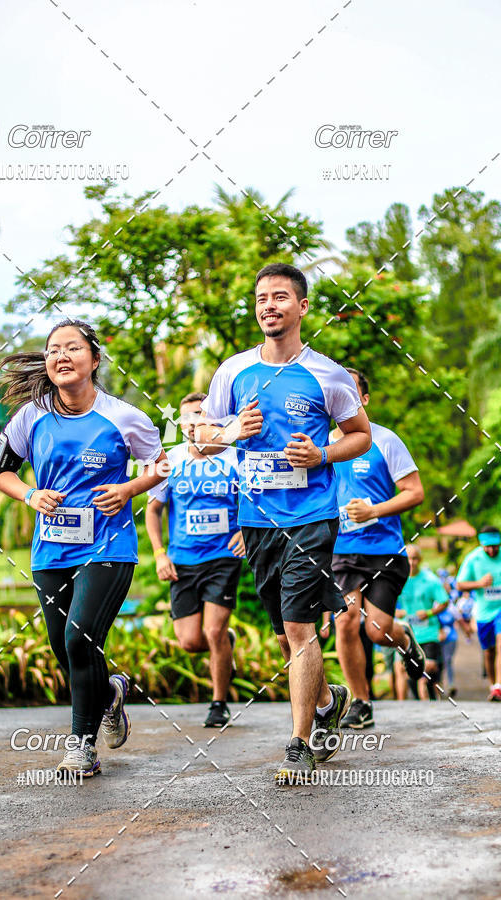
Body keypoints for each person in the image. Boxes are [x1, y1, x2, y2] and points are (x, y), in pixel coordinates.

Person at [196, 262, 372, 782]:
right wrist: (232, 430)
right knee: (284, 631)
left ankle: (299, 743)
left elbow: (358, 435)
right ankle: (326, 703)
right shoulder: (232, 371)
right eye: (260, 298)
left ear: (302, 307)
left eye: (278, 296)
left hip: (313, 517)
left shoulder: (328, 374)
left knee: (299, 627)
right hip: (257, 520)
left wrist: (323, 455)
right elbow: (199, 442)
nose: (267, 305)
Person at [0, 318, 168, 776]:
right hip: (51, 549)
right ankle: (109, 693)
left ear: (93, 357)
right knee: (61, 646)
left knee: (79, 636)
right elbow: (0, 472)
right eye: (52, 350)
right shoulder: (30, 416)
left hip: (108, 546)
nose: (60, 356)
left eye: (71, 348)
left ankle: (81, 748)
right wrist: (31, 495)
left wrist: (129, 489)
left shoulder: (125, 416)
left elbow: (160, 468)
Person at [329, 368, 426, 728]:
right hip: (341, 551)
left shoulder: (386, 440)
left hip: (385, 551)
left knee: (377, 631)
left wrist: (374, 510)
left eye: (351, 392)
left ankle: (404, 639)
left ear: (364, 400)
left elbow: (415, 493)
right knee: (346, 622)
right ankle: (361, 701)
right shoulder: (322, 444)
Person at [145, 391, 244, 727]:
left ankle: (218, 704)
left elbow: (258, 499)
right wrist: (159, 554)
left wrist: (246, 532)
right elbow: (153, 510)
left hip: (223, 557)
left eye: (200, 415)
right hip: (182, 560)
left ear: (213, 420)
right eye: (187, 417)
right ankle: (225, 646)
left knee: (213, 630)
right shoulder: (169, 460)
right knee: (189, 641)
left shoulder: (234, 458)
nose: (193, 422)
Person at [394, 545, 448, 700]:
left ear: (420, 559)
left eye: (415, 559)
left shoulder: (430, 580)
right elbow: (385, 602)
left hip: (428, 634)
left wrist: (429, 613)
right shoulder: (398, 579)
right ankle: (400, 705)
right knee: (399, 668)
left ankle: (431, 703)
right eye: (408, 559)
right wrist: (396, 612)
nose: (411, 562)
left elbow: (444, 602)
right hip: (407, 634)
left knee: (427, 672)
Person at [456, 525, 501, 701]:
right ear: (481, 544)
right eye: (488, 546)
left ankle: (499, 685)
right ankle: (493, 685)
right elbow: (460, 585)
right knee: (489, 652)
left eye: (496, 545)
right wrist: (479, 584)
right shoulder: (473, 559)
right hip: (484, 613)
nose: (492, 549)